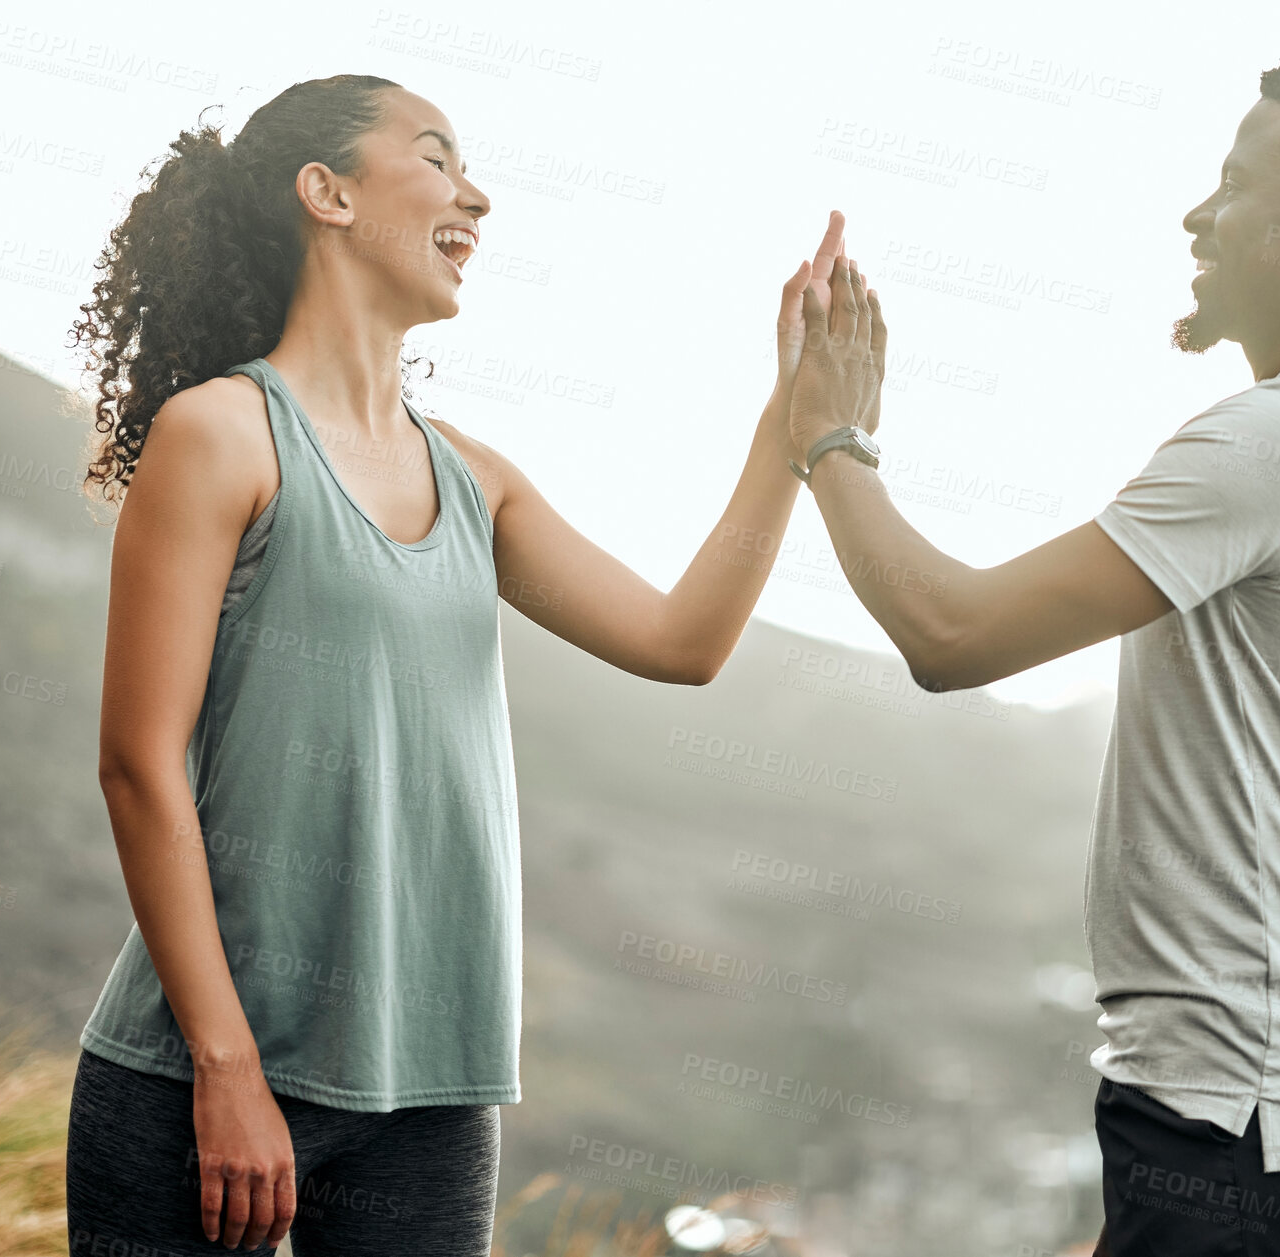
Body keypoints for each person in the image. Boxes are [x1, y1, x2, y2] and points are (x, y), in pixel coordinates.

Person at [67, 73, 850, 1255]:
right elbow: (137, 764)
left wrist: (791, 422)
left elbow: (682, 643)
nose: (474, 196)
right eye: (435, 158)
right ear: (323, 193)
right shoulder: (219, 435)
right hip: (197, 1081)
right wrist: (226, 1068)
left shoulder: (478, 480)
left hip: (428, 1094)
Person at [784, 49, 1280, 1254]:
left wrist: (828, 435)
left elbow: (952, 635)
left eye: (1234, 183)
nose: (1196, 214)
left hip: (1245, 1102)